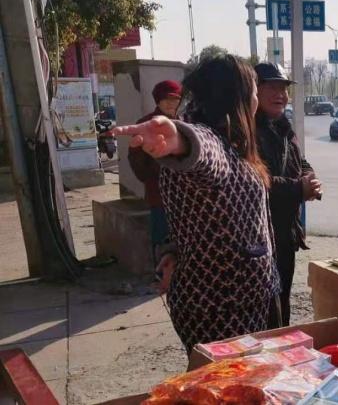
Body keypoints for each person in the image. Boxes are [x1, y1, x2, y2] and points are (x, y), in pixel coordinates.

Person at [114, 55, 280, 353]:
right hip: (222, 309)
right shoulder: (211, 143)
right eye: (255, 92)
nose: (256, 100)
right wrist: (179, 140)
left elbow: (201, 218)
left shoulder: (233, 144)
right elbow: (204, 152)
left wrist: (173, 250)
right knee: (229, 380)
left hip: (234, 298)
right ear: (237, 98)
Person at [254, 63, 321, 328]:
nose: (280, 94)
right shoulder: (246, 130)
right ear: (254, 90)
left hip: (285, 233)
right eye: (272, 87)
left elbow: (300, 161)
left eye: (283, 88)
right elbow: (255, 180)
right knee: (264, 308)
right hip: (259, 238)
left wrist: (310, 178)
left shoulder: (283, 126)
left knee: (282, 302)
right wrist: (297, 189)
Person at [128, 80, 182, 263]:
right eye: (167, 99)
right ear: (158, 100)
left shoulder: (184, 123)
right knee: (162, 238)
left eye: (175, 99)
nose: (171, 104)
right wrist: (153, 174)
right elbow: (135, 158)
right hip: (159, 193)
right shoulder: (145, 124)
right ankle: (161, 272)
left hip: (185, 194)